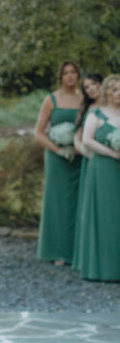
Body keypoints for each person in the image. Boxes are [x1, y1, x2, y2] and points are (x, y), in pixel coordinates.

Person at [34, 60, 82, 264]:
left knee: (78, 201)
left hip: (78, 156)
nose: (70, 76)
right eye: (66, 73)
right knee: (58, 202)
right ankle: (57, 251)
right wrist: (58, 150)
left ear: (78, 75)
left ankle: (76, 251)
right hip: (57, 157)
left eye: (73, 72)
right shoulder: (51, 99)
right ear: (60, 77)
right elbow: (38, 132)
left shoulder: (83, 98)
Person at [75, 74, 120, 281]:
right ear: (108, 92)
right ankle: (102, 268)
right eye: (115, 90)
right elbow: (87, 140)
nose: (118, 94)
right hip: (103, 169)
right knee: (105, 215)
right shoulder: (97, 113)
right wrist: (112, 153)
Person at [71, 73, 103, 268]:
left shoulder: (112, 107)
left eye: (94, 85)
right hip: (90, 161)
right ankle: (87, 256)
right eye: (87, 87)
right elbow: (79, 134)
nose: (91, 89)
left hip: (109, 158)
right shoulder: (88, 109)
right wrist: (82, 148)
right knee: (88, 208)